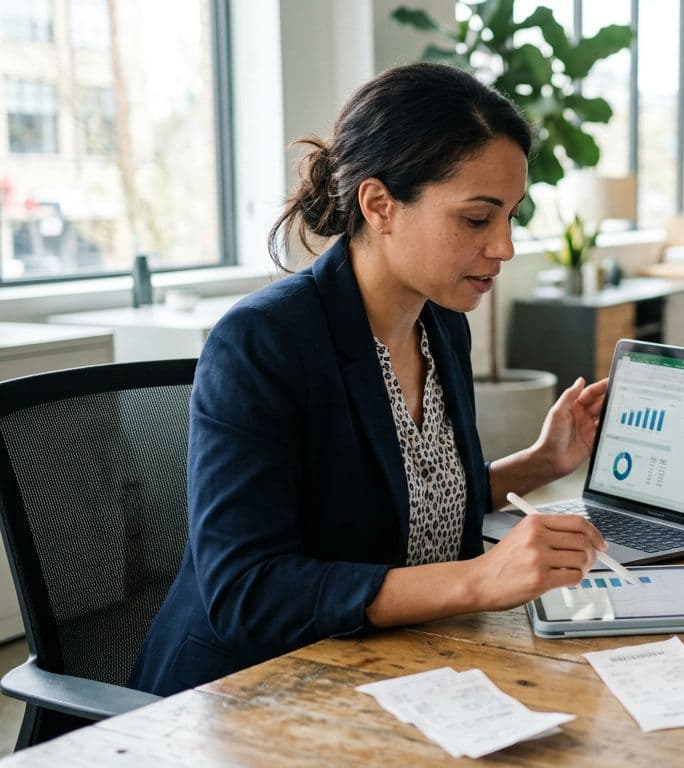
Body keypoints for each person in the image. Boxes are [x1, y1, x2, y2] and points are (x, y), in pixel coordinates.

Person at [130, 64, 610, 695]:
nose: (505, 247)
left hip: (390, 667)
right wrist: (476, 580)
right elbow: (247, 590)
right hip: (248, 691)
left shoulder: (440, 323)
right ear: (379, 205)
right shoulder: (263, 342)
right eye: (476, 219)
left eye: (512, 217)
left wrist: (539, 464)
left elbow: (400, 502)